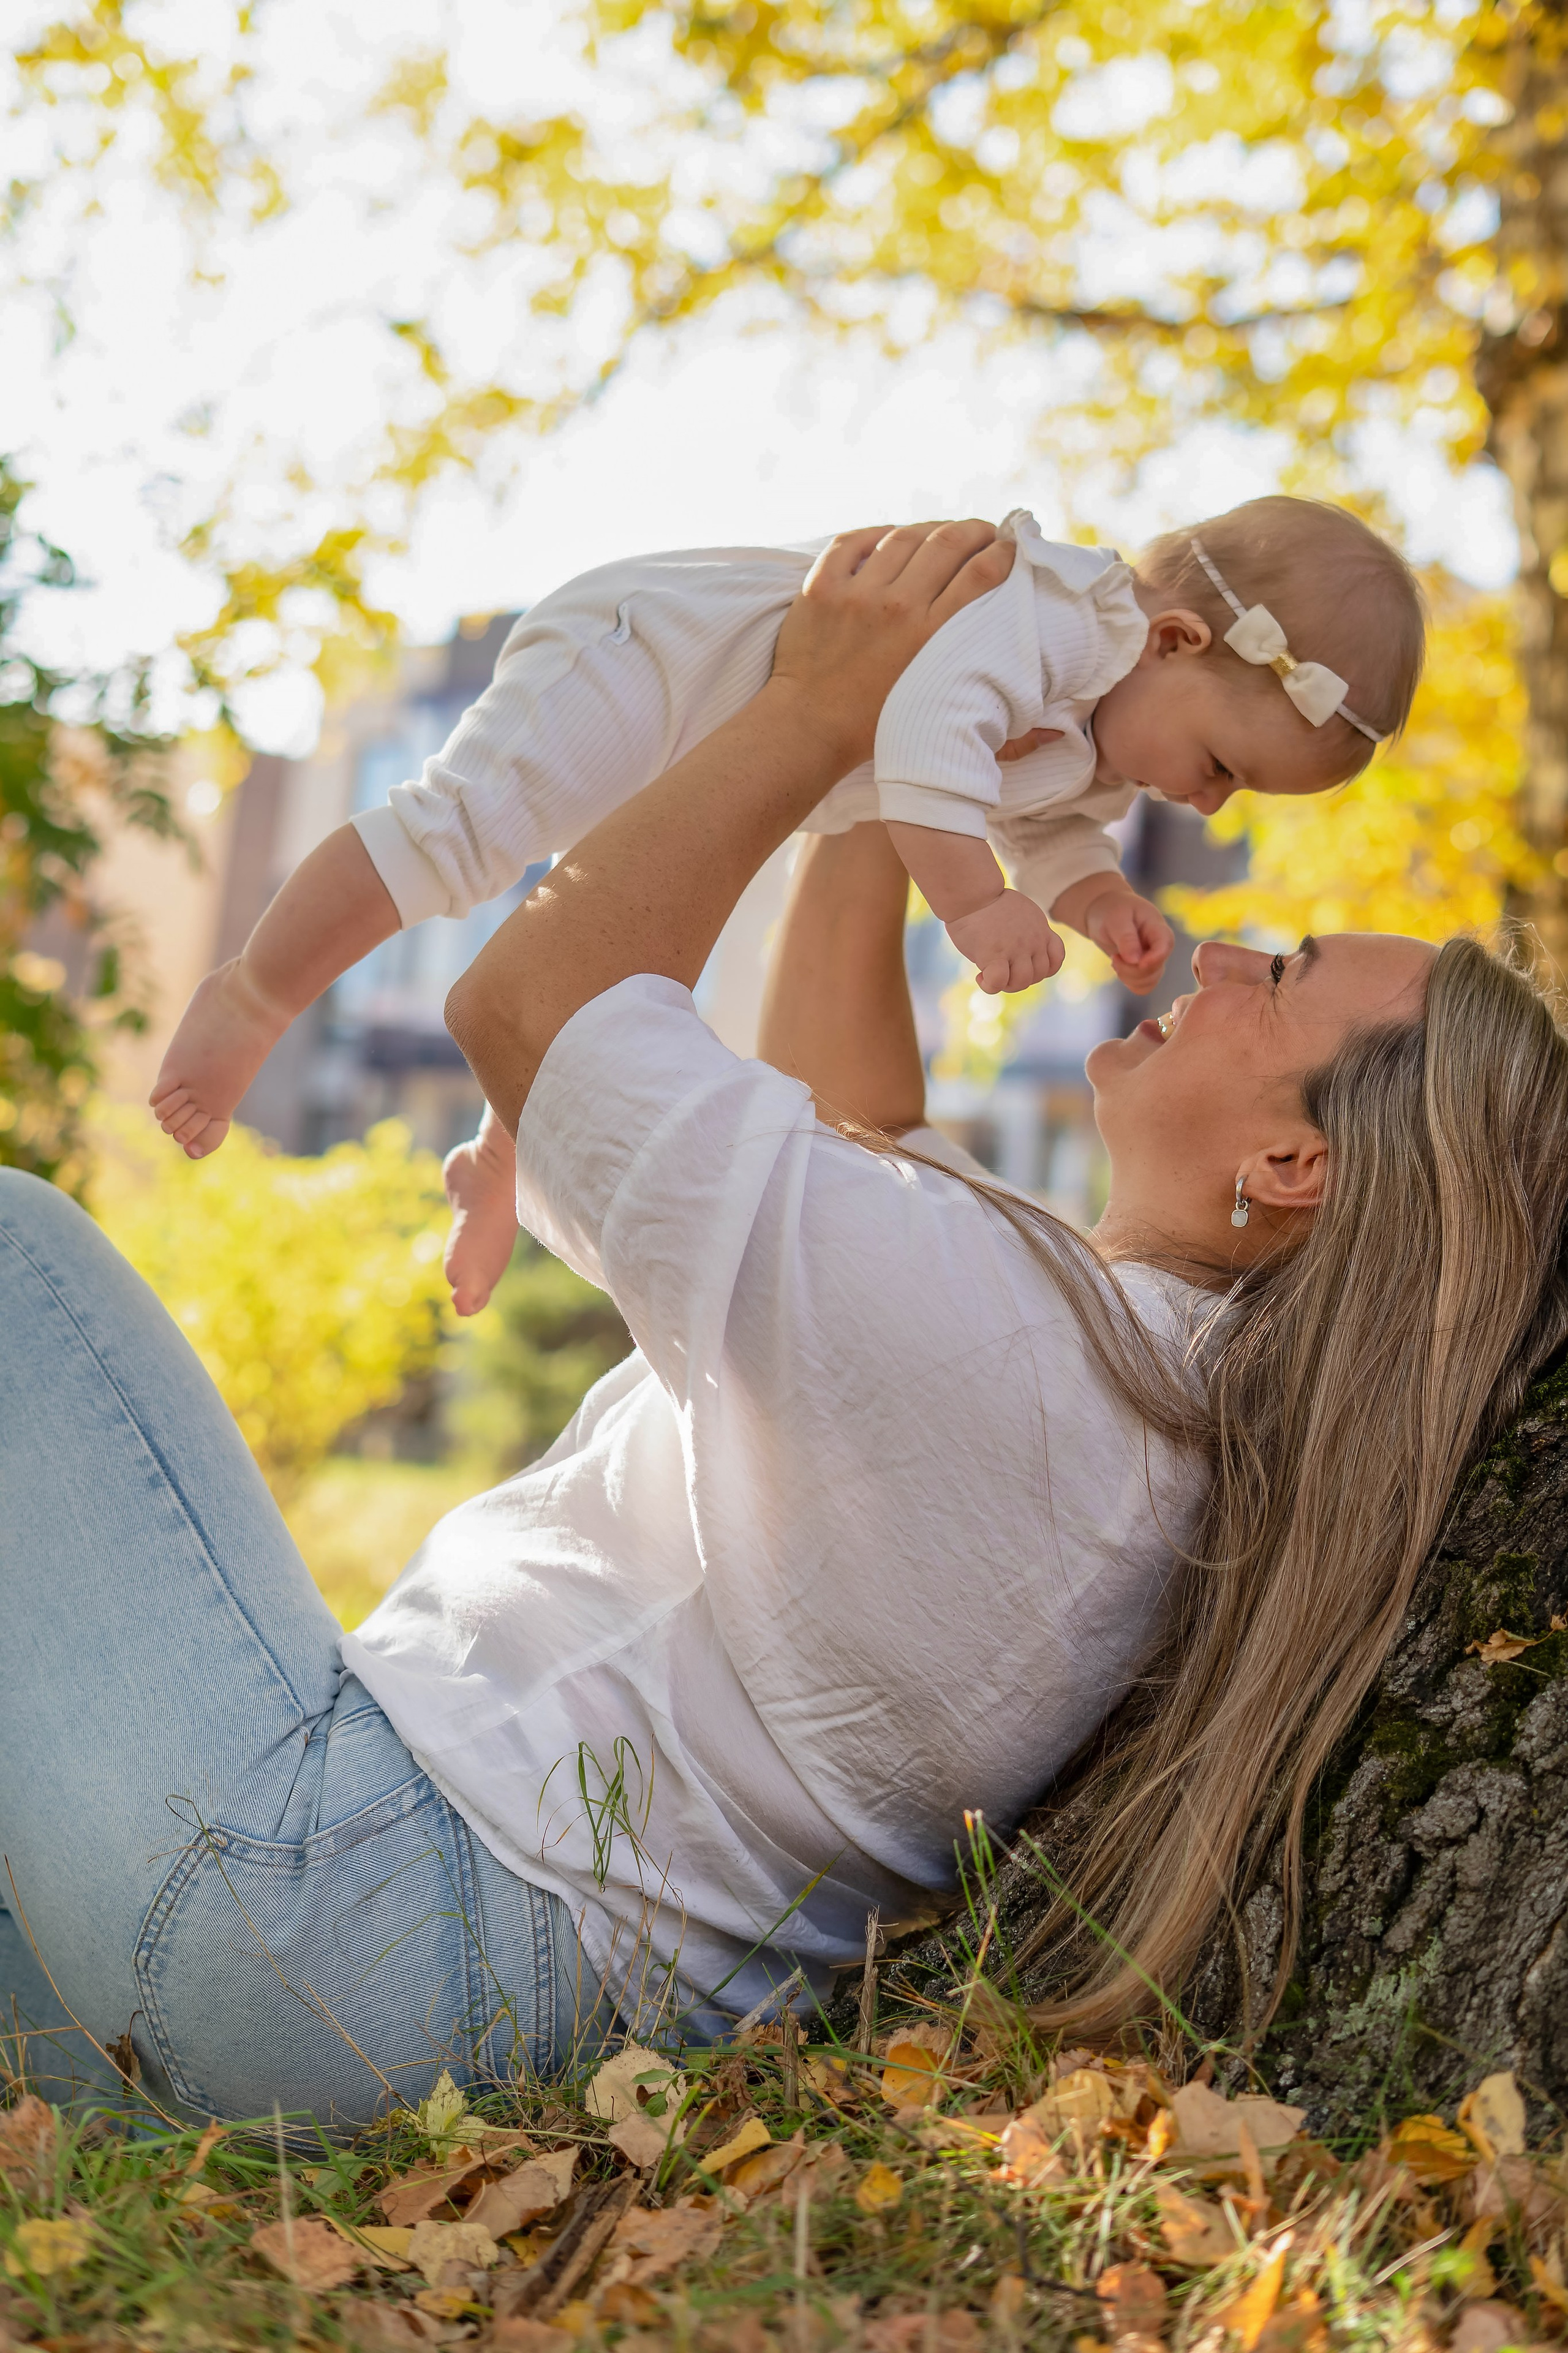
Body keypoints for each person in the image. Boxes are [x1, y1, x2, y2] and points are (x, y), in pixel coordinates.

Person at [1, 523, 1557, 2131]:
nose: (1226, 944)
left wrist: (815, 708)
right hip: (412, 2012)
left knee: (14, 1253)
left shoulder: (1016, 1357)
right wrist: (909, 756)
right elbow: (856, 1121)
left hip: (348, 1914)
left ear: (1293, 1162)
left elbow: (533, 1010)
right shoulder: (1139, 1396)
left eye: (1285, 972)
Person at [148, 497, 1425, 1318]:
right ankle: (255, 987)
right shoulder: (1043, 613)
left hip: (732, 744)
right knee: (468, 836)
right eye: (1224, 768)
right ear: (1176, 644)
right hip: (654, 657)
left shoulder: (1094, 740)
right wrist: (972, 906)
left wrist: (1088, 898)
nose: (1203, 808)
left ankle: (503, 1161)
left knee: (622, 969)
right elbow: (929, 730)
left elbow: (1039, 822)